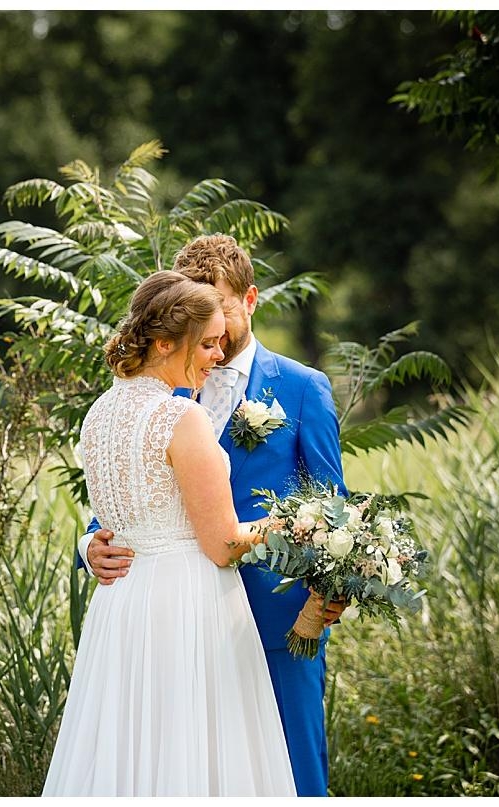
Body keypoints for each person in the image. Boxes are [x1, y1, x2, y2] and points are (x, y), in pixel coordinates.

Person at [78, 234, 347, 796]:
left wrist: (325, 600)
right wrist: (90, 545)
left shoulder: (301, 389)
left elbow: (331, 510)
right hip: (175, 621)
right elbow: (131, 490)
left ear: (248, 300)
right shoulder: (154, 394)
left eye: (219, 305)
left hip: (277, 621)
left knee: (289, 777)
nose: (213, 333)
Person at [42, 270, 296, 797]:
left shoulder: (100, 412)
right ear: (164, 343)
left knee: (129, 750)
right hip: (189, 605)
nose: (216, 356)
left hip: (125, 606)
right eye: (206, 343)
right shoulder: (182, 417)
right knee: (196, 752)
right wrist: (290, 524)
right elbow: (223, 544)